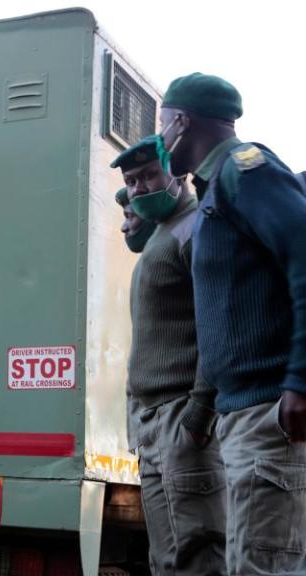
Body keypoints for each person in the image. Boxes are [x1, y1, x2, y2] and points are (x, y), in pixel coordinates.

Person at [159, 72, 306, 574]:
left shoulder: (245, 172)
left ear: (181, 121)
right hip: (246, 414)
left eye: (162, 124)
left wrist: (300, 380)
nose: (160, 139)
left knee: (263, 566)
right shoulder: (214, 189)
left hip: (269, 414)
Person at [112, 138, 226, 575]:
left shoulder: (195, 226)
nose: (139, 188)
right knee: (166, 558)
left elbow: (217, 322)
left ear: (175, 172)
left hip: (182, 416)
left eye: (149, 176)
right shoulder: (161, 232)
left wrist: (199, 412)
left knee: (200, 554)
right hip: (153, 422)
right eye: (131, 181)